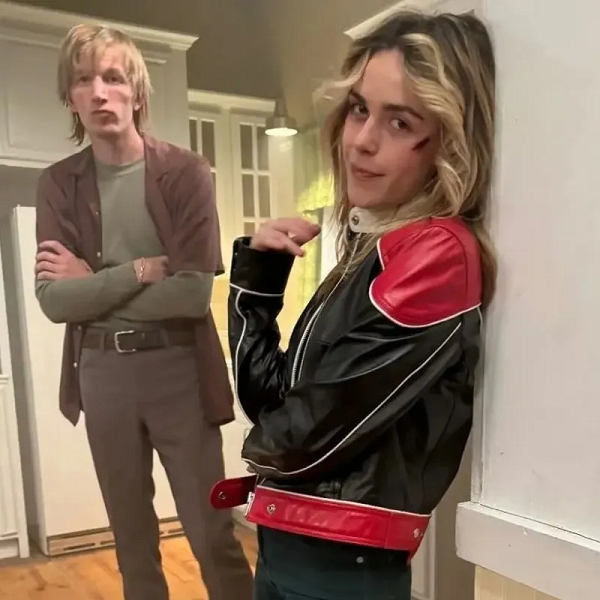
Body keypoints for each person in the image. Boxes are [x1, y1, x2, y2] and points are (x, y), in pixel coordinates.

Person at [210, 10, 497, 600]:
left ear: (449, 140)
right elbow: (270, 401)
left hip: (340, 565)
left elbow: (299, 436)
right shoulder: (375, 248)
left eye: (400, 121)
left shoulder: (437, 254)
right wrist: (258, 283)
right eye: (360, 109)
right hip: (292, 544)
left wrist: (264, 443)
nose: (362, 140)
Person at [34, 24, 254, 600]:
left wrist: (92, 286)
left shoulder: (186, 173)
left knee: (211, 533)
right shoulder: (58, 184)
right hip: (101, 373)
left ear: (136, 91)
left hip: (179, 369)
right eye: (84, 80)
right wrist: (134, 271)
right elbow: (55, 301)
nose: (99, 92)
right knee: (131, 541)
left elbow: (190, 295)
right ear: (70, 98)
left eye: (112, 77)